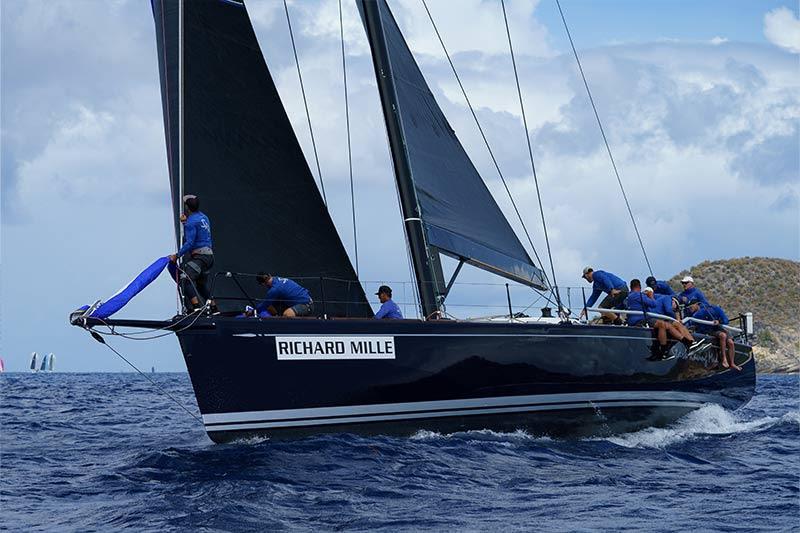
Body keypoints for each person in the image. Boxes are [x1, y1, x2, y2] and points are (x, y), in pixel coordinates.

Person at [168, 194, 214, 312]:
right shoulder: (204, 217)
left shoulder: (191, 222)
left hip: (200, 258)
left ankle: (196, 308)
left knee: (185, 278)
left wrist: (176, 255)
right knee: (200, 284)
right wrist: (185, 223)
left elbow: (189, 243)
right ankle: (214, 307)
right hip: (209, 258)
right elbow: (198, 233)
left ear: (187, 208)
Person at [687, 299, 740, 371]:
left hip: (718, 328)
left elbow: (725, 320)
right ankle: (724, 359)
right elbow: (691, 324)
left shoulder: (714, 309)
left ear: (697, 304)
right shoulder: (695, 315)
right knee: (723, 336)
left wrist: (719, 321)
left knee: (730, 342)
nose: (690, 309)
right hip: (709, 331)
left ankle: (732, 363)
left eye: (691, 307)